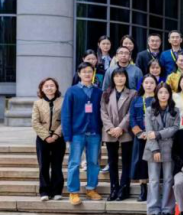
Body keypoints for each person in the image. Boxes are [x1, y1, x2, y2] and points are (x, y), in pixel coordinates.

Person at [63, 62, 104, 206]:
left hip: (94, 133)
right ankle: (73, 191)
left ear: (93, 73)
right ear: (79, 74)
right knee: (74, 162)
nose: (87, 74)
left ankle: (91, 188)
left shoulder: (98, 92)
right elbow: (66, 114)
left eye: (90, 71)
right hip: (77, 133)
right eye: (84, 71)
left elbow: (102, 113)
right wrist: (67, 136)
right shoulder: (72, 91)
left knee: (93, 162)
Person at [143, 84, 180, 215]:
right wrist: (155, 149)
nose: (163, 95)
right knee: (153, 180)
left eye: (166, 92)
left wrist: (158, 134)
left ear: (170, 94)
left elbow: (175, 128)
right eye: (160, 92)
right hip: (153, 148)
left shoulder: (175, 110)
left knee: (168, 179)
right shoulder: (149, 110)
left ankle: (167, 209)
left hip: (169, 148)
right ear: (156, 94)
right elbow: (149, 131)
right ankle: (154, 209)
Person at [100, 68, 134, 202]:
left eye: (122, 76)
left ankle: (124, 189)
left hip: (125, 131)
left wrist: (120, 127)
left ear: (126, 78)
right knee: (112, 161)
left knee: (126, 161)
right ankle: (114, 188)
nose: (120, 79)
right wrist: (110, 128)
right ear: (112, 78)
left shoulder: (133, 93)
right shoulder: (106, 93)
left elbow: (131, 112)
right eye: (117, 76)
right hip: (110, 132)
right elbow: (103, 112)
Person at [32, 78, 65, 202]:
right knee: (43, 165)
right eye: (46, 86)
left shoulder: (63, 101)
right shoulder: (38, 103)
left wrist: (56, 135)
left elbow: (65, 120)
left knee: (57, 165)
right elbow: (35, 122)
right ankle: (44, 191)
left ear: (56, 88)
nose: (49, 88)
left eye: (52, 85)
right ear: (42, 88)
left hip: (59, 138)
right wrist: (46, 136)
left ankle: (57, 191)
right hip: (42, 138)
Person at [129, 75, 156, 203]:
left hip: (154, 136)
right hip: (140, 137)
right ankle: (143, 189)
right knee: (141, 163)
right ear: (142, 84)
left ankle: (154, 189)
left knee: (154, 162)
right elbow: (132, 117)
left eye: (152, 83)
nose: (149, 85)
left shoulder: (158, 99)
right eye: (146, 82)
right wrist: (139, 133)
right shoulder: (136, 99)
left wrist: (152, 133)